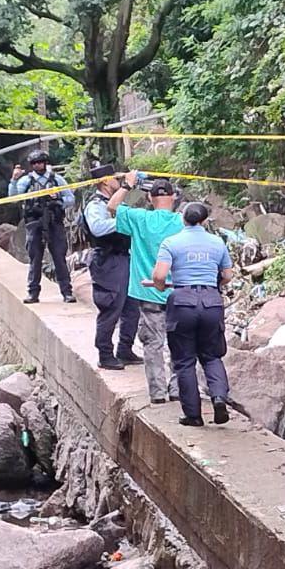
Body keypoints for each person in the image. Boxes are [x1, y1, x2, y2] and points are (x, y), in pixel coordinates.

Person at [151, 203, 234, 428]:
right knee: (212, 356)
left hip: (182, 302)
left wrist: (161, 287)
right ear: (205, 221)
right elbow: (227, 275)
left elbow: (159, 275)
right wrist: (213, 284)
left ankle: (193, 415)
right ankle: (219, 397)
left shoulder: (171, 243)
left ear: (183, 219)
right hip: (211, 302)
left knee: (185, 361)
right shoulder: (217, 242)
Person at [106, 171, 182, 404]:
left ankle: (157, 393)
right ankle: (177, 389)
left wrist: (127, 185)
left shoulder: (139, 218)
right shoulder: (182, 222)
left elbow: (112, 206)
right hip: (179, 292)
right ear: (174, 197)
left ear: (149, 198)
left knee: (153, 344)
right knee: (179, 342)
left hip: (148, 291)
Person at [80, 165, 143, 371]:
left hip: (124, 257)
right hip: (107, 260)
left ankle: (125, 349)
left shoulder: (116, 202)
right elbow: (98, 228)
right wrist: (124, 222)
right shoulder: (95, 205)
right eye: (116, 178)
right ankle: (105, 354)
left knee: (132, 307)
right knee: (111, 306)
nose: (119, 180)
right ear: (106, 181)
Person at [8, 149, 76, 304]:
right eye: (34, 163)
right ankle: (33, 293)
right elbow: (13, 199)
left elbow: (70, 198)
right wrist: (14, 180)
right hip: (34, 223)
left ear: (45, 163)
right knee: (35, 259)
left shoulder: (57, 180)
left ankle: (67, 292)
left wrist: (58, 199)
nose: (37, 165)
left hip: (54, 223)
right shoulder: (26, 181)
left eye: (40, 162)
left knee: (59, 258)